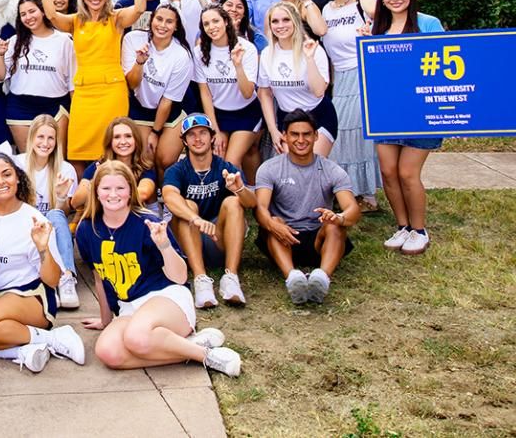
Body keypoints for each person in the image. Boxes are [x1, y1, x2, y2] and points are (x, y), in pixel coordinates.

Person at [77, 162, 241, 377]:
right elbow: (100, 277)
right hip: (129, 307)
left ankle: (207, 357)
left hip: (166, 297)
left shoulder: (148, 223)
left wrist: (164, 245)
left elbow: (180, 276)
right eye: (106, 188)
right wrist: (106, 320)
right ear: (96, 192)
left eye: (120, 188)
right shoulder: (87, 229)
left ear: (130, 191)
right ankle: (187, 347)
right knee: (108, 352)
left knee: (136, 337)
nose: (113, 194)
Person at [0, 153, 84, 373]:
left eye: (6, 174)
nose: (0, 181)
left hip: (33, 296)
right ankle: (23, 352)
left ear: (18, 178)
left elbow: (53, 279)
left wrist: (42, 248)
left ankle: (54, 337)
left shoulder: (35, 219)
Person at [38, 0, 146, 167]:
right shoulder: (75, 21)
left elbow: (140, 8)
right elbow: (51, 15)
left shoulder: (117, 19)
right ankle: (82, 197)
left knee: (114, 150)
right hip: (84, 94)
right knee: (78, 151)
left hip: (112, 92)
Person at [371, 0, 444, 255]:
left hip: (420, 111)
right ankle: (403, 226)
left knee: (407, 172)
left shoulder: (428, 23)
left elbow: (442, 61)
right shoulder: (379, 27)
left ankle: (419, 229)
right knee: (388, 172)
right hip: (387, 110)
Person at [255, 111, 360, 304]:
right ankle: (293, 279)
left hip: (318, 239)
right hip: (284, 237)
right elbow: (260, 208)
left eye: (307, 134)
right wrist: (272, 224)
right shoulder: (269, 168)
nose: (301, 140)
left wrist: (339, 217)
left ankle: (322, 278)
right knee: (273, 220)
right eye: (295, 134)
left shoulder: (332, 170)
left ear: (316, 136)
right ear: (284, 136)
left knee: (335, 225)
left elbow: (352, 209)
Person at [162, 115, 254, 309]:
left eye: (203, 133)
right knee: (187, 205)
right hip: (187, 241)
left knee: (234, 202)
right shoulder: (177, 170)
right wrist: (194, 218)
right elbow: (169, 196)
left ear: (212, 137)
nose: (198, 139)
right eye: (192, 135)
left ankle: (231, 277)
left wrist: (239, 189)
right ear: (184, 141)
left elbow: (252, 203)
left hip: (217, 239)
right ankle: (201, 279)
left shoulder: (224, 167)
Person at [318, 0, 382, 211]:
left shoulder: (362, 1)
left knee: (357, 131)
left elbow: (377, 12)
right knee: (342, 133)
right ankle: (350, 190)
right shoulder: (327, 9)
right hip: (341, 77)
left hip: (362, 72)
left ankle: (367, 195)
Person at [0, 0, 75, 151]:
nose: (28, 17)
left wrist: (76, 113)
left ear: (43, 11)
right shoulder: (14, 41)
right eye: (23, 14)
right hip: (20, 108)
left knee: (56, 161)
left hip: (56, 108)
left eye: (32, 11)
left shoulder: (64, 40)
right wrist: (0, 55)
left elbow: (72, 81)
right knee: (27, 162)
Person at [13, 115, 80, 309]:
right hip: (25, 226)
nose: (45, 143)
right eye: (40, 137)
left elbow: (64, 212)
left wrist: (60, 198)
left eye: (50, 138)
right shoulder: (17, 164)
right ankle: (47, 284)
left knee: (55, 215)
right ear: (31, 138)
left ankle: (67, 278)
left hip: (52, 229)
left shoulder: (65, 169)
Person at [258, 2, 336, 158]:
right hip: (287, 118)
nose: (280, 25)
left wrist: (309, 59)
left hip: (317, 116)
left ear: (295, 21)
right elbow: (264, 94)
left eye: (286, 20)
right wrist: (273, 130)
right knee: (292, 170)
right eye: (275, 21)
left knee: (313, 167)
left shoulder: (313, 49)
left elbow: (319, 91)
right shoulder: (267, 54)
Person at [194, 6, 263, 182]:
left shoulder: (246, 48)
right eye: (206, 24)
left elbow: (248, 93)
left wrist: (238, 65)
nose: (212, 27)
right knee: (218, 158)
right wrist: (214, 130)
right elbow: (205, 94)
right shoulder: (199, 52)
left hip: (246, 112)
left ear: (226, 21)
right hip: (218, 114)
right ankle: (225, 202)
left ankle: (256, 196)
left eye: (215, 21)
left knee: (231, 162)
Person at [122, 3, 194, 171]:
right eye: (159, 19)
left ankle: (166, 192)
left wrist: (155, 132)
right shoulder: (132, 39)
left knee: (165, 160)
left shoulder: (182, 55)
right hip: (139, 107)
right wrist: (140, 62)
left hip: (169, 110)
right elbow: (132, 84)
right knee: (146, 161)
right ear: (151, 20)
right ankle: (150, 195)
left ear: (176, 27)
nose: (162, 25)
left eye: (169, 22)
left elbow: (167, 101)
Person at [73, 116, 159, 214]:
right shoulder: (98, 166)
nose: (123, 142)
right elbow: (76, 201)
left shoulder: (144, 166)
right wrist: (96, 180)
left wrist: (109, 196)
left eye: (128, 136)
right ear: (110, 142)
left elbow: (144, 193)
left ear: (136, 140)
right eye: (117, 137)